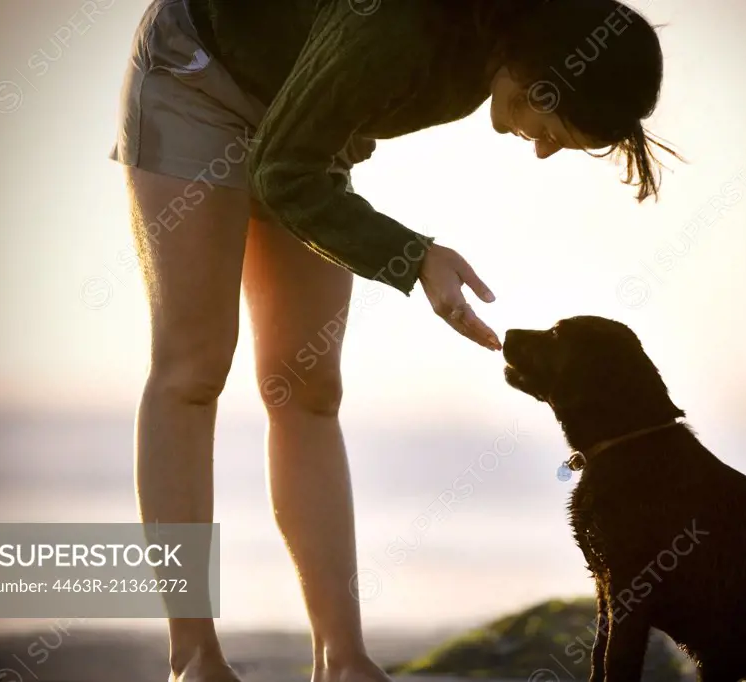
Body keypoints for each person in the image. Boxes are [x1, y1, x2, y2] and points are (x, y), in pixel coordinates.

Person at [108, 0, 675, 679]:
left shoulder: (486, 54)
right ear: (546, 74)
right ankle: (193, 657)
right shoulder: (402, 25)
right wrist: (413, 257)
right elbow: (283, 172)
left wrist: (409, 255)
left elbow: (297, 154)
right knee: (193, 370)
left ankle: (342, 659)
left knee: (307, 386)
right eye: (557, 129)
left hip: (304, 130)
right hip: (201, 80)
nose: (545, 148)